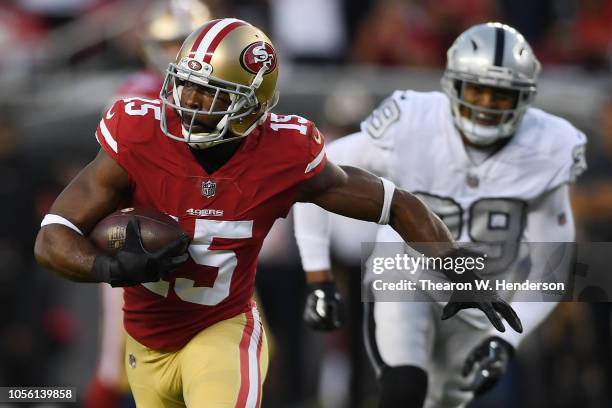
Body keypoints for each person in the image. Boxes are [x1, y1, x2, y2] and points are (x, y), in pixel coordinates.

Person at [34, 18, 520, 407]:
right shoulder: (139, 134)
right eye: (184, 85)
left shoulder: (284, 153)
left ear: (251, 105)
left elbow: (393, 203)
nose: (189, 102)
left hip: (219, 330)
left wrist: (454, 263)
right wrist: (109, 267)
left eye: (210, 93)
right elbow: (53, 235)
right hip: (146, 343)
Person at [295, 22, 586, 408]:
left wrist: (507, 340)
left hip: (483, 293)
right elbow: (315, 173)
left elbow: (553, 264)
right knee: (404, 387)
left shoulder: (549, 145)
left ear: (523, 98)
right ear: (452, 85)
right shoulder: (412, 121)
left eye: (499, 95)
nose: (484, 104)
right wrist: (319, 275)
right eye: (477, 88)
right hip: (405, 274)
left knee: (444, 401)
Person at [83, 2, 212, 407]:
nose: (174, 52)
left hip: (211, 227)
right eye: (167, 42)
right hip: (150, 228)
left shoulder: (221, 94)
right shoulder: (135, 95)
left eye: (182, 42)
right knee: (118, 360)